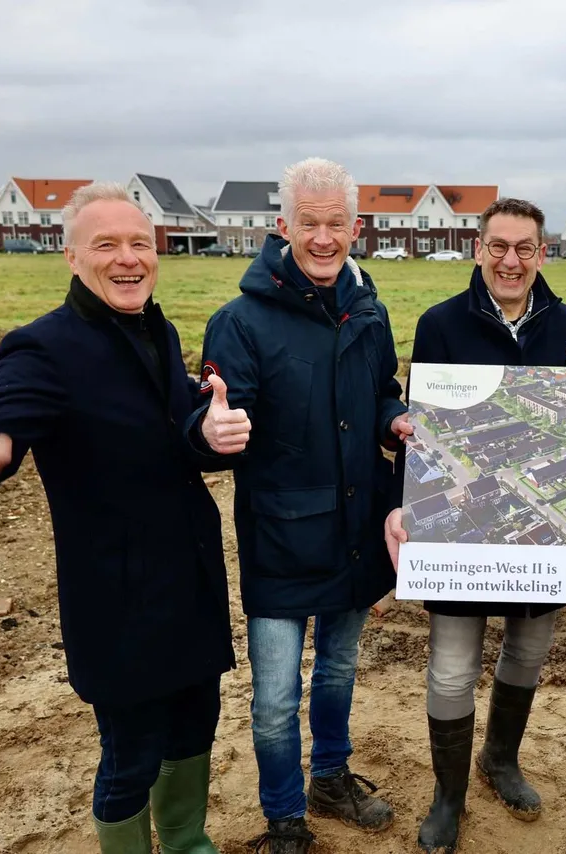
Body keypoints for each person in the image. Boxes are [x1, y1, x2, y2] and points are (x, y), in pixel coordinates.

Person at [0, 182, 246, 853]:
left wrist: (206, 432)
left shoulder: (156, 328)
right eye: (107, 245)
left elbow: (164, 428)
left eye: (140, 244)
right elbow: (8, 419)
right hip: (119, 603)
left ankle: (186, 842)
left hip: (189, 584)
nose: (128, 259)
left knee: (193, 730)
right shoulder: (43, 348)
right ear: (71, 257)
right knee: (131, 758)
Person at [383, 197, 566, 853]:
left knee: (527, 650)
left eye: (525, 248)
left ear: (542, 254)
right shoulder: (439, 325)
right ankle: (448, 794)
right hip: (467, 525)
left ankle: (500, 759)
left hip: (541, 527)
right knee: (451, 667)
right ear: (479, 250)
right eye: (498, 246)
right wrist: (405, 502)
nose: (511, 260)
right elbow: (424, 429)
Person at [188, 157, 410, 853]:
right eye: (307, 223)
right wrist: (212, 433)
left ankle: (332, 775)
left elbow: (380, 394)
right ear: (282, 226)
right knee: (277, 697)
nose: (322, 238)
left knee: (340, 670)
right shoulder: (240, 323)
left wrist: (394, 420)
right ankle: (284, 815)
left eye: (335, 224)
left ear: (356, 227)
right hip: (282, 536)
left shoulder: (369, 311)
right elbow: (215, 427)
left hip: (355, 531)